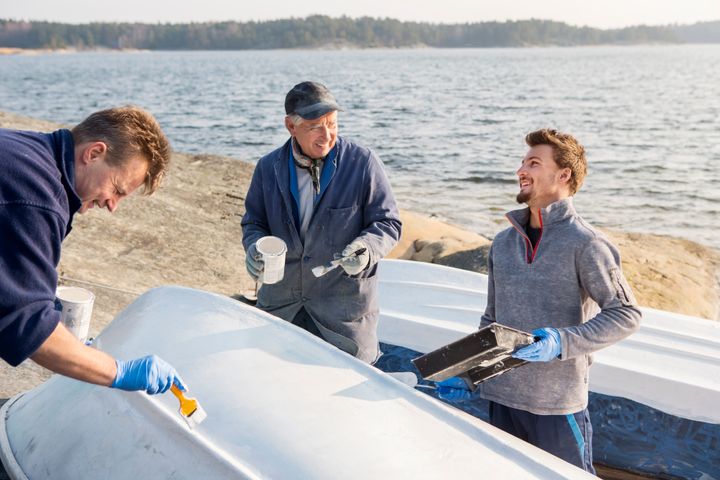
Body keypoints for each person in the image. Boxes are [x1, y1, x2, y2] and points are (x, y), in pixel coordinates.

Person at [437, 129, 641, 473]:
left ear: (563, 175)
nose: (521, 170)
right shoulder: (503, 243)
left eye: (533, 162)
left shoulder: (587, 243)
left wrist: (563, 341)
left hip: (557, 406)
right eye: (522, 162)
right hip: (502, 399)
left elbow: (626, 314)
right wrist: (471, 373)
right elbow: (491, 321)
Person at [0, 106, 185, 395]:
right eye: (118, 189)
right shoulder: (36, 197)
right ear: (94, 153)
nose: (112, 205)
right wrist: (116, 371)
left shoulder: (26, 150)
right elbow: (28, 326)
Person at [242, 81, 401, 364]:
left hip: (344, 318)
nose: (326, 135)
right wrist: (254, 248)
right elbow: (253, 223)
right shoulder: (268, 168)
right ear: (291, 126)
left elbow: (388, 223)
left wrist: (366, 249)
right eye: (315, 126)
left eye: (333, 124)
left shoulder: (364, 163)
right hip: (281, 310)